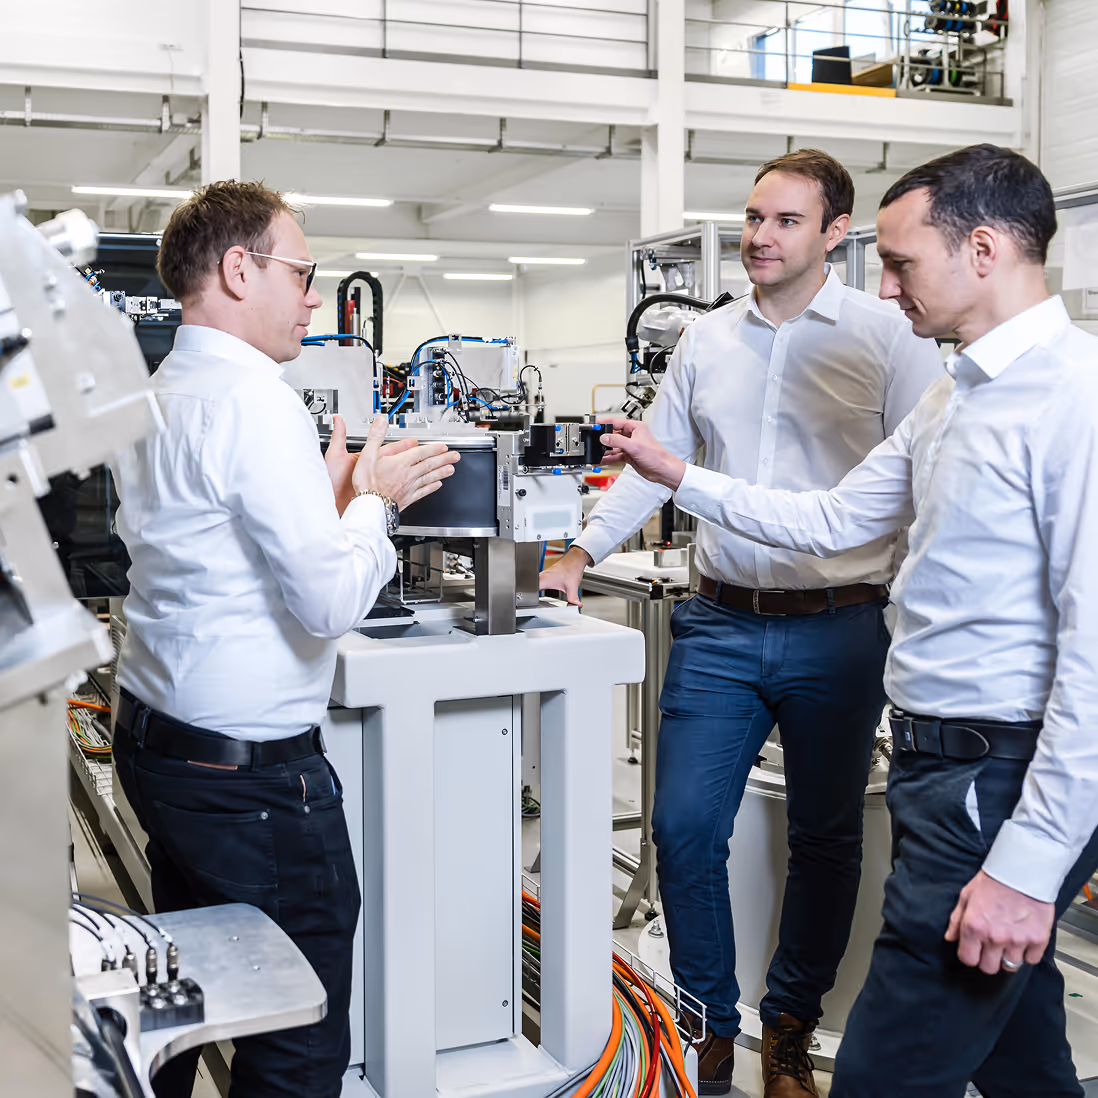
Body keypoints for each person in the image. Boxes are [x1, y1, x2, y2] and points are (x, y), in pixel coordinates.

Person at [595, 143, 1098, 1098]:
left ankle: (788, 1031)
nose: (889, 286)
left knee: (881, 1073)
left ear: (983, 250)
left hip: (995, 774)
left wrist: (1029, 869)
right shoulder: (955, 395)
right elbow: (830, 519)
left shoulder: (1075, 398)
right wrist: (678, 475)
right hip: (936, 762)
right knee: (1023, 1058)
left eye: (902, 263)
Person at [540, 149, 942, 1096]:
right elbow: (656, 464)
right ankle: (708, 1027)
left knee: (826, 837)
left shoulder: (890, 338)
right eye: (755, 217)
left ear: (834, 234)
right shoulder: (706, 340)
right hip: (720, 623)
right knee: (682, 828)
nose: (761, 236)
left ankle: (790, 1029)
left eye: (786, 221)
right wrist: (581, 553)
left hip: (840, 626)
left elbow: (921, 483)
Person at [109, 180, 460, 1098]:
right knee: (295, 1040)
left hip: (159, 747)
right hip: (252, 786)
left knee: (186, 998)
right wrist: (376, 501)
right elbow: (329, 602)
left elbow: (211, 547)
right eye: (301, 274)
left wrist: (323, 500)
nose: (313, 297)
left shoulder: (159, 392)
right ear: (239, 269)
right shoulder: (255, 403)